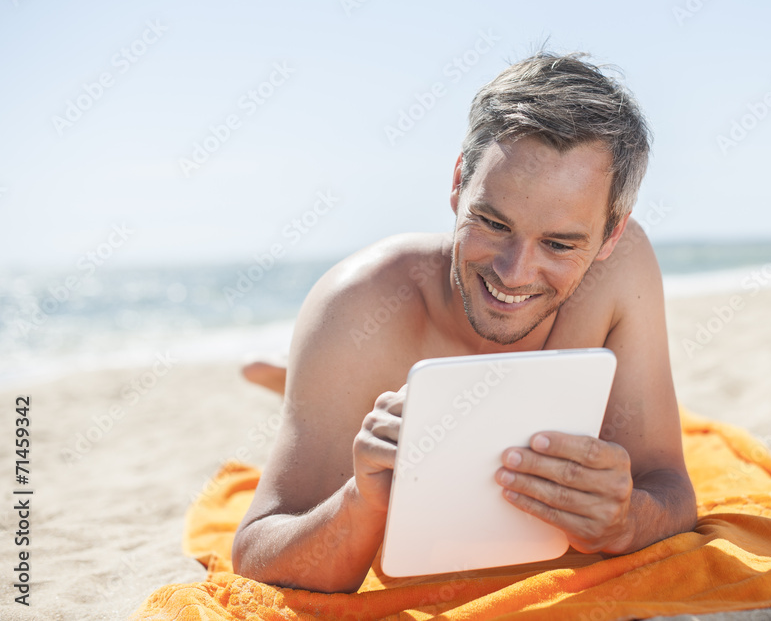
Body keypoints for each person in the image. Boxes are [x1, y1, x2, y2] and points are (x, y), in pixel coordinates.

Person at [231, 52, 697, 593]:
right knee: (330, 393)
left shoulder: (622, 270)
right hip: (354, 350)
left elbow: (670, 489)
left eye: (559, 244)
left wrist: (626, 520)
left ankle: (290, 379)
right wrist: (360, 502)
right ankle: (294, 378)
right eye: (493, 222)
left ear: (611, 235)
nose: (513, 274)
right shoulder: (357, 306)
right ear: (458, 183)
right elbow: (255, 554)